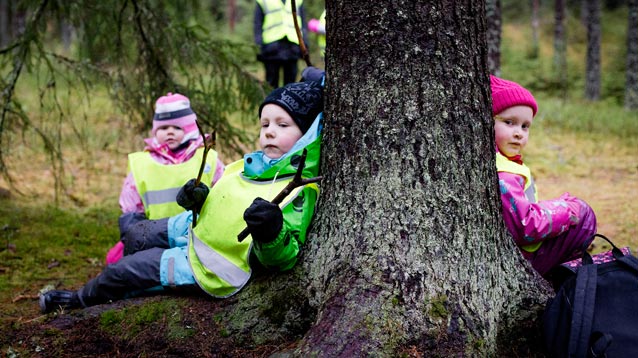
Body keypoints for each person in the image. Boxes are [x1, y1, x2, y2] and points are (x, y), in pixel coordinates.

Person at [39, 80, 324, 313]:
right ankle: (112, 278)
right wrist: (201, 199)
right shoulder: (253, 164)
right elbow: (227, 198)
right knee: (136, 234)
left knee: (125, 271)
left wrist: (271, 232)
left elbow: (284, 258)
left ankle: (77, 300)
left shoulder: (300, 189)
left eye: (282, 125)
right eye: (265, 125)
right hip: (193, 227)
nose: (269, 133)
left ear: (308, 134)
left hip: (210, 267)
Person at [490, 75, 597, 280]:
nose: (519, 133)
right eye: (509, 122)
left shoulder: (504, 163)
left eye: (525, 126)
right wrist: (567, 210)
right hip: (523, 260)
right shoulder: (503, 172)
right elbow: (525, 226)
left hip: (520, 254)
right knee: (583, 215)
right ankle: (561, 281)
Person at [105, 93, 225, 265]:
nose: (169, 132)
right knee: (118, 262)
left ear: (191, 129)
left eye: (177, 128)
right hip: (154, 238)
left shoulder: (207, 160)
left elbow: (222, 194)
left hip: (199, 237)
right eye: (163, 128)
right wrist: (133, 236)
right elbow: (131, 204)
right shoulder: (143, 164)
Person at [254, 0, 307, 88]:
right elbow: (257, 24)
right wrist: (258, 46)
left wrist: (305, 45)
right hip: (271, 48)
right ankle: (271, 101)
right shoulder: (263, 1)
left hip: (292, 47)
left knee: (290, 85)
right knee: (271, 84)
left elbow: (303, 23)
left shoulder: (298, 1)